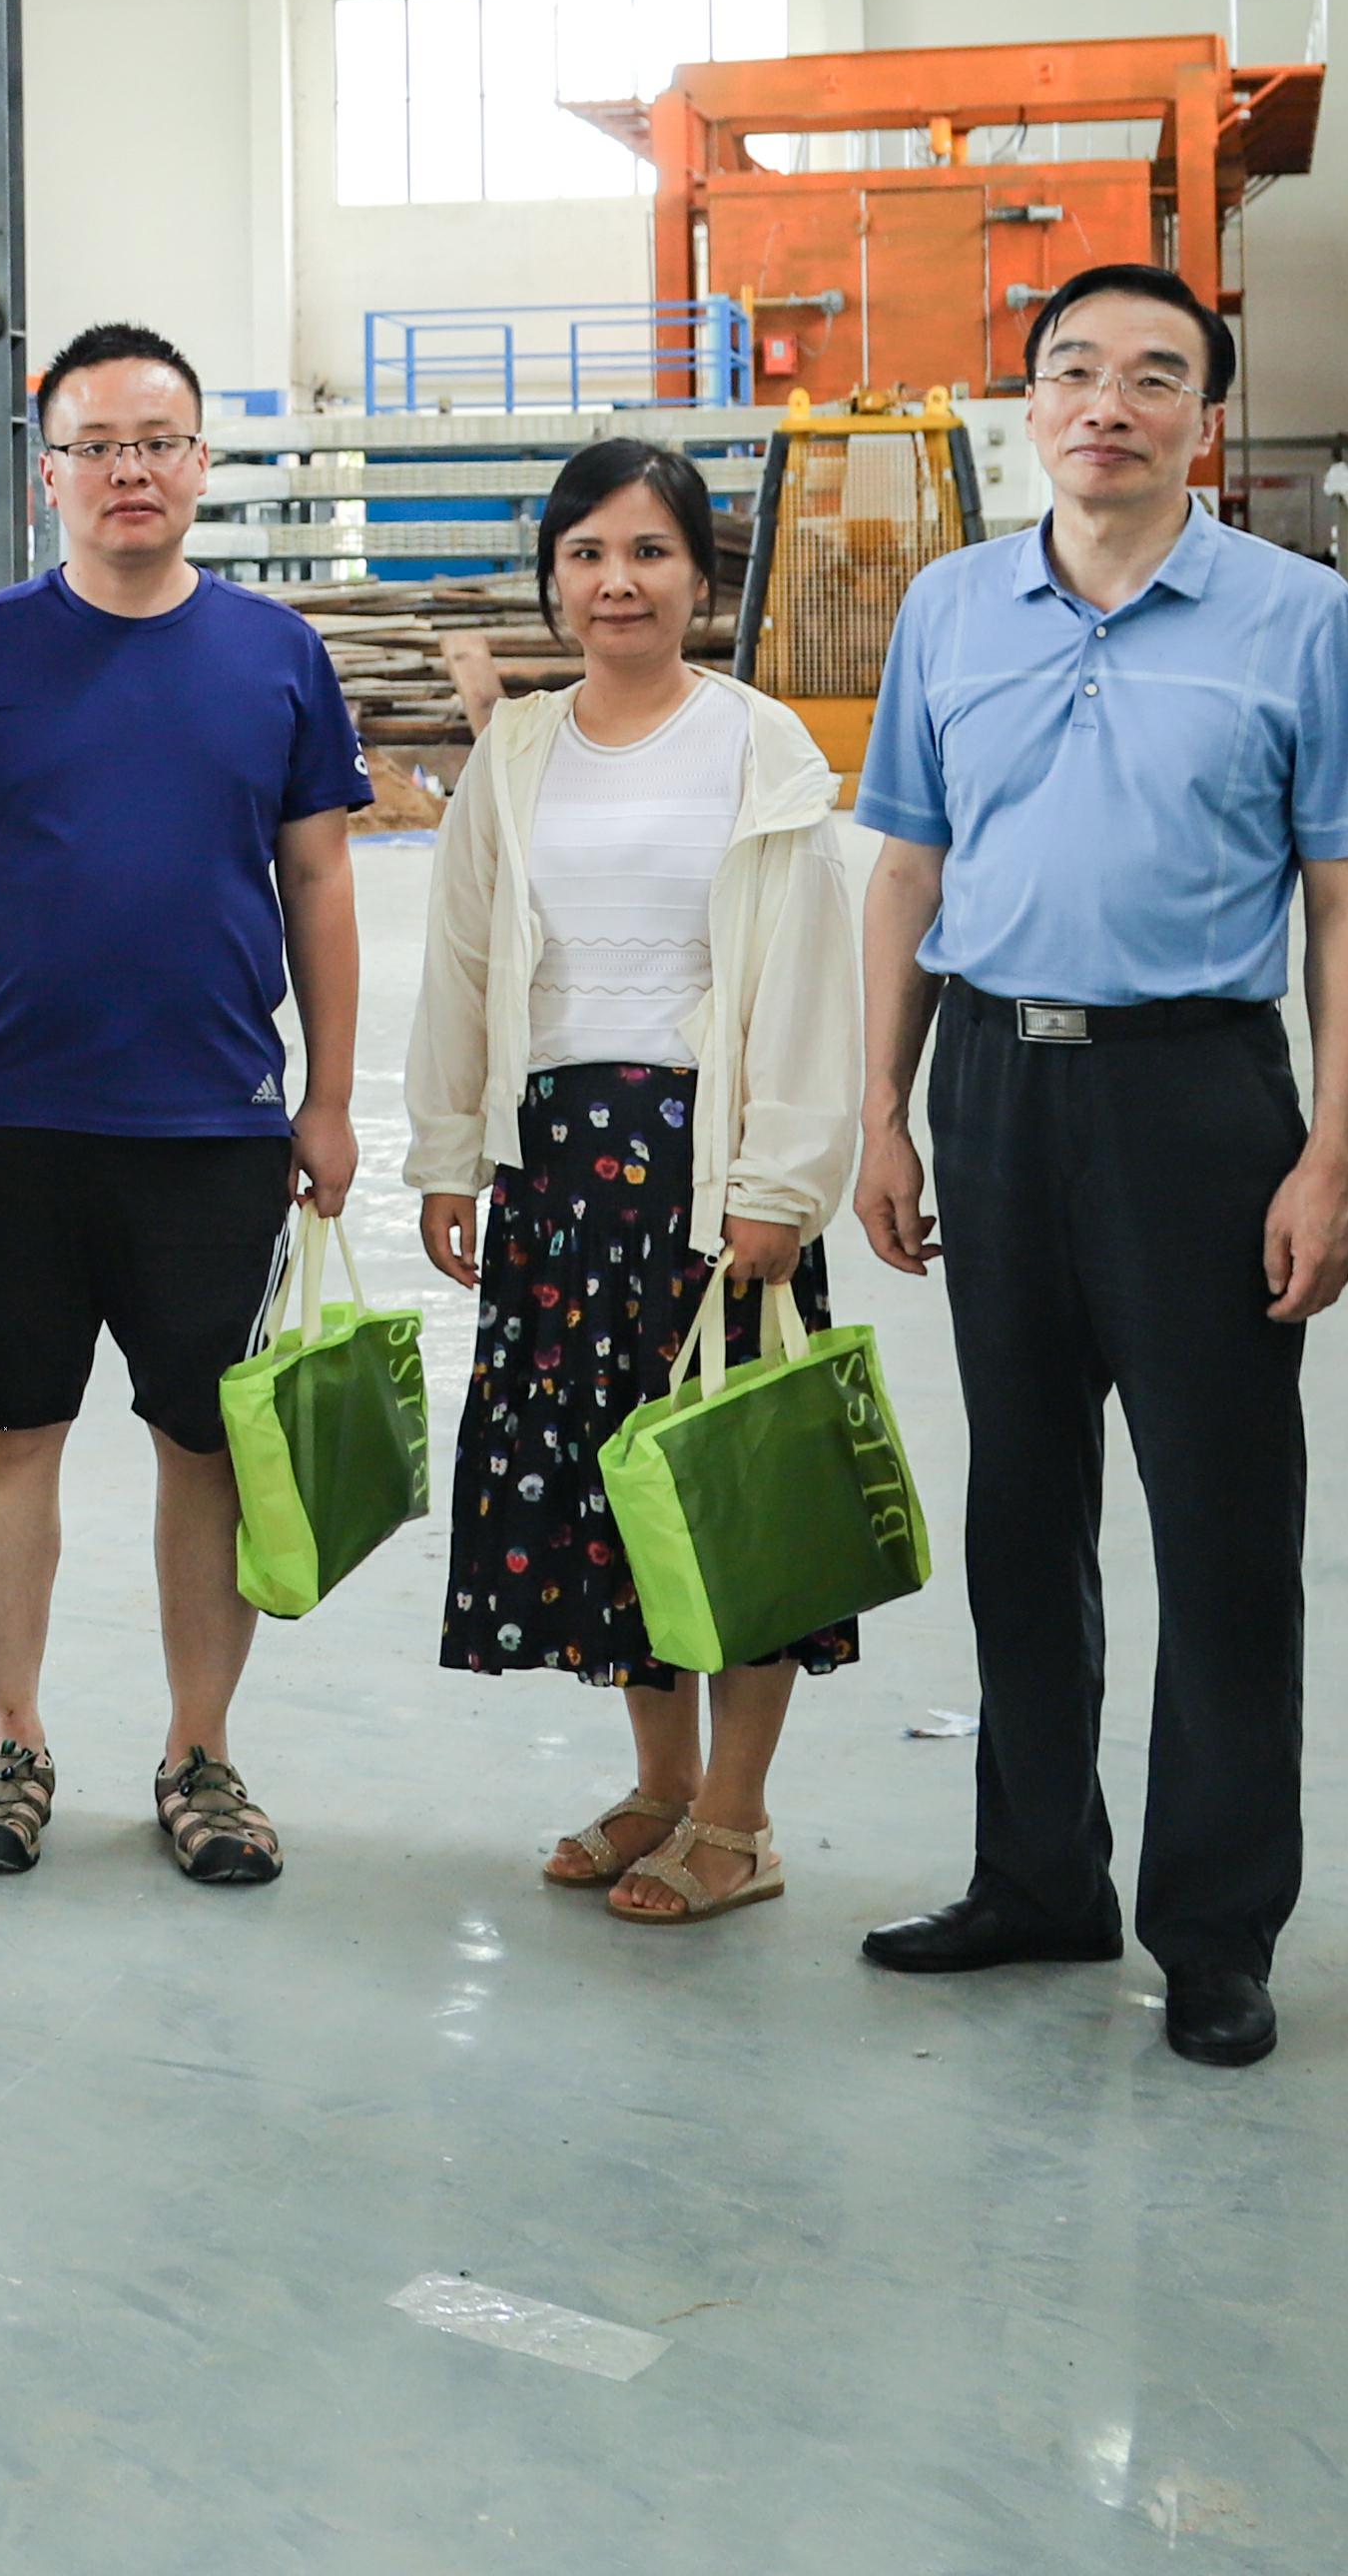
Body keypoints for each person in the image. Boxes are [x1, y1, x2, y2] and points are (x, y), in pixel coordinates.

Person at [846, 258, 1348, 2071]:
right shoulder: (950, 607)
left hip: (1198, 1099)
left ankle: (1216, 1930)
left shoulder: (1296, 616)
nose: (1110, 403)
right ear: (1032, 407)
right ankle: (1036, 1878)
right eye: (1075, 370)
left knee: (1224, 1527)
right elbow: (909, 871)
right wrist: (884, 1110)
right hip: (998, 1084)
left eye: (1155, 375)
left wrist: (1329, 1154)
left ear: (1204, 423)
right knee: (1022, 1509)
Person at [0, 323, 368, 1891]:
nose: (129, 471)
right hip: (9, 1123)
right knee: (8, 1439)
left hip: (213, 1127)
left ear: (201, 464)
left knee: (208, 1446)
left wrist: (329, 1098)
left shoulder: (275, 655)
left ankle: (201, 1752)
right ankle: (12, 1740)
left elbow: (320, 882)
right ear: (48, 473)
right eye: (97, 446)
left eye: (157, 442)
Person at [403, 438, 868, 1924]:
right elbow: (464, 956)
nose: (619, 581)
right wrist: (451, 1152)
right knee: (612, 1495)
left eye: (652, 551)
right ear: (553, 578)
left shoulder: (757, 744)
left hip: (705, 1168)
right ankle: (661, 1787)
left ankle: (739, 1816)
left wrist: (782, 1182)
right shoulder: (516, 751)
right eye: (590, 552)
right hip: (557, 1177)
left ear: (700, 580)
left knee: (737, 1485)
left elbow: (812, 976)